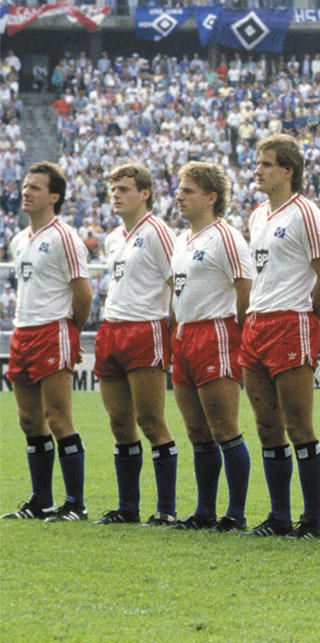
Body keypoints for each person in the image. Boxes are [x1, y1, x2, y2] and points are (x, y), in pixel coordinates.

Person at [240, 135, 320, 539]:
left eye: (265, 164)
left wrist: (308, 318)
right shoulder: (258, 215)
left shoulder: (307, 214)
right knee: (266, 426)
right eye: (257, 163)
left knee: (298, 424)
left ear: (287, 171)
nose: (257, 170)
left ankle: (311, 520)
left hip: (291, 323)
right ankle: (279, 515)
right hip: (257, 323)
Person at [2, 162, 92, 522]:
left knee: (58, 418)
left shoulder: (64, 237)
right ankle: (41, 501)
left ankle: (76, 504)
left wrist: (71, 329)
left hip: (52, 330)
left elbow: (82, 293)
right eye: (26, 186)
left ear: (54, 197)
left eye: (36, 188)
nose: (27, 192)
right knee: (28, 420)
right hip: (22, 332)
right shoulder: (18, 240)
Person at [168, 162, 254, 533]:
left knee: (224, 428)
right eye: (180, 189)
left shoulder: (227, 237)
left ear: (211, 197)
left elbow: (245, 292)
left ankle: (235, 513)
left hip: (215, 333)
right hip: (184, 336)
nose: (179, 196)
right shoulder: (181, 240)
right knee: (196, 432)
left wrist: (234, 335)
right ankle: (204, 511)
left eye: (188, 191)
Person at [91, 163, 179, 527]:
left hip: (145, 328)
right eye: (113, 188)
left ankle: (166, 509)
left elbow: (177, 285)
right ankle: (127, 508)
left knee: (150, 420)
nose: (116, 194)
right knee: (119, 422)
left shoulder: (159, 233)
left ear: (144, 194)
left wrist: (170, 331)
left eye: (124, 188)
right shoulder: (114, 237)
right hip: (111, 329)